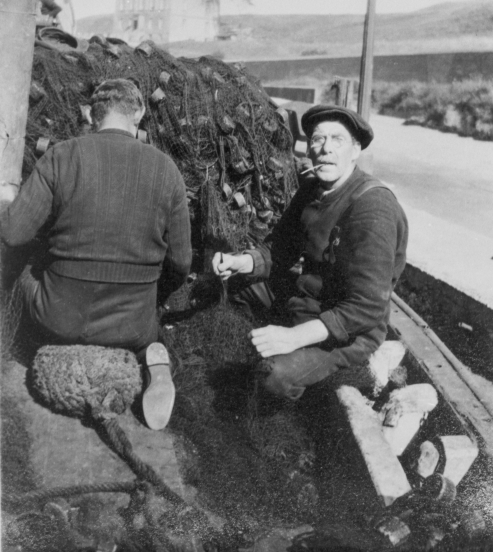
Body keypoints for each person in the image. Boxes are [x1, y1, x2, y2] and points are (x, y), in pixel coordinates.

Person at [0, 78, 192, 430]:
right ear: (139, 114)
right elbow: (181, 263)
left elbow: (13, 234)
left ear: (91, 113)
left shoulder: (61, 155)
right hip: (133, 325)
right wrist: (153, 299)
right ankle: (153, 361)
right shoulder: (167, 170)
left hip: (57, 318)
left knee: (23, 266)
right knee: (148, 311)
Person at [212, 104, 408, 402]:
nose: (326, 149)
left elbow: (366, 308)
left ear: (356, 150)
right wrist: (241, 262)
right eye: (317, 139)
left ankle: (353, 376)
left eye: (337, 140)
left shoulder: (372, 207)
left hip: (350, 330)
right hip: (307, 300)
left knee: (271, 376)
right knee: (233, 285)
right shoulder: (313, 189)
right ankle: (287, 339)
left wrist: (292, 338)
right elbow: (281, 249)